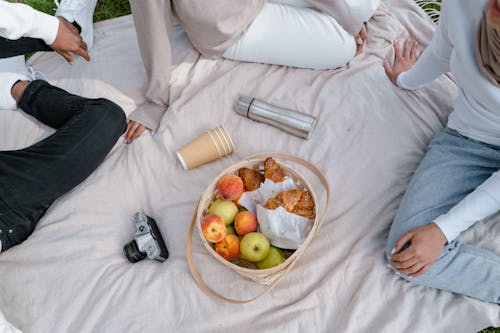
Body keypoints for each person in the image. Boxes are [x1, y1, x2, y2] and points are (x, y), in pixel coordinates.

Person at [124, 0, 380, 142]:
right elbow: (151, 22)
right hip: (230, 26)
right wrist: (155, 101)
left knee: (362, 8)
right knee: (344, 46)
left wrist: (343, 12)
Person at [384, 0, 500, 303]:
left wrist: (443, 230)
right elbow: (444, 49)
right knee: (405, 254)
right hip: (468, 142)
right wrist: (406, 79)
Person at [0, 0, 126, 253]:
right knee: (106, 118)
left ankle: (66, 32)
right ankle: (16, 86)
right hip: (8, 202)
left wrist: (47, 29)